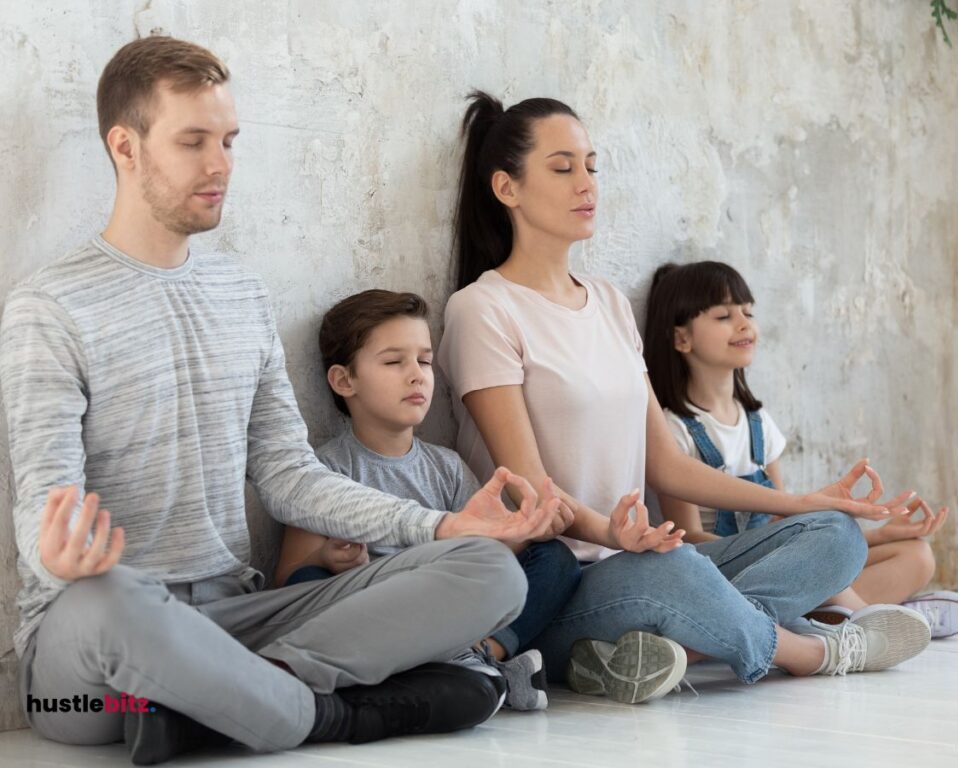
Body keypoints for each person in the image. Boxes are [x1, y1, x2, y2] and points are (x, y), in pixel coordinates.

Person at [0, 37, 561, 766]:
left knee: (487, 569)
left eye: (229, 140)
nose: (220, 164)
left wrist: (440, 523)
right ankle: (337, 717)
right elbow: (44, 501)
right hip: (92, 657)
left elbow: (289, 475)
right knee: (112, 601)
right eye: (193, 141)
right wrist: (60, 561)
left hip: (240, 619)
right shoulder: (50, 306)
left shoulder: (242, 295)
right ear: (125, 147)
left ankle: (236, 701)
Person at [436, 90, 934, 704]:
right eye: (562, 168)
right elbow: (530, 490)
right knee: (675, 570)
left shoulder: (610, 302)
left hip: (640, 565)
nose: (585, 183)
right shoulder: (482, 310)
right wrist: (618, 539)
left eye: (592, 166)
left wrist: (797, 501)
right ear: (507, 189)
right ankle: (809, 650)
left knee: (833, 533)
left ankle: (670, 648)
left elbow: (669, 465)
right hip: (555, 585)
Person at [275, 288, 583, 709]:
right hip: (378, 617)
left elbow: (486, 559)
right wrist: (331, 562)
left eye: (423, 360)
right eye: (393, 361)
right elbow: (289, 583)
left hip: (449, 614)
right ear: (345, 380)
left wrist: (524, 531)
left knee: (554, 559)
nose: (416, 374)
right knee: (307, 586)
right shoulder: (325, 472)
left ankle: (481, 655)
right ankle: (452, 667)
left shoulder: (447, 467)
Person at [642, 260, 958, 640]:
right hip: (721, 571)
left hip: (777, 560)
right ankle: (882, 626)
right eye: (724, 316)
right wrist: (779, 555)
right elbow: (685, 538)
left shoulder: (758, 423)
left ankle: (836, 620)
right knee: (819, 572)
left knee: (916, 554)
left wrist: (882, 535)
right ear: (682, 339)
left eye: (748, 312)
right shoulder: (675, 430)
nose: (744, 324)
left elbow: (782, 524)